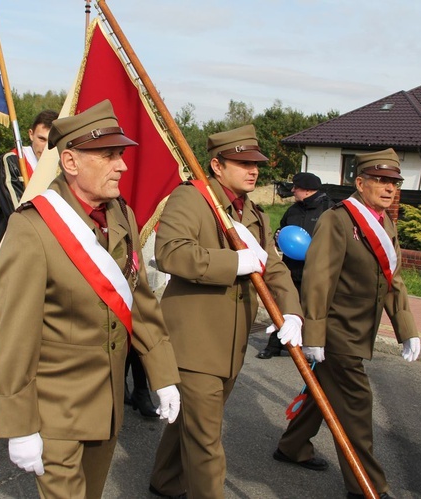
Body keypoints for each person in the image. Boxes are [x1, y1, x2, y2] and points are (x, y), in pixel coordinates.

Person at [0, 100, 181, 499]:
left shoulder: (120, 216)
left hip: (107, 406)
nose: (122, 166)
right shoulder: (33, 228)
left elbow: (138, 301)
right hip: (55, 411)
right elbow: (13, 336)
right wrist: (20, 424)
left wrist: (163, 375)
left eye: (121, 155)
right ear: (71, 162)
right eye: (109, 155)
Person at [149, 125, 304, 499]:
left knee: (190, 421)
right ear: (217, 165)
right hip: (194, 341)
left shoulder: (252, 212)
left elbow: (275, 267)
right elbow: (171, 253)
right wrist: (232, 262)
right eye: (242, 162)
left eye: (256, 163)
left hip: (231, 344)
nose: (253, 170)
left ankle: (165, 481)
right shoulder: (191, 200)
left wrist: (293, 312)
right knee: (206, 443)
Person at [271, 148, 421, 499]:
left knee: (322, 391)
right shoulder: (338, 219)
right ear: (360, 182)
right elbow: (317, 279)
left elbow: (392, 280)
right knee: (356, 407)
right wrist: (315, 334)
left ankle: (292, 447)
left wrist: (406, 328)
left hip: (360, 329)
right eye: (381, 181)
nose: (389, 189)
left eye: (394, 182)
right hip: (337, 333)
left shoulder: (385, 222)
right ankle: (366, 485)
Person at [257, 171, 334, 359]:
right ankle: (274, 346)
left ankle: (313, 347)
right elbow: (282, 230)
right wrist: (277, 236)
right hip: (291, 268)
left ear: (307, 190)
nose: (293, 191)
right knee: (284, 305)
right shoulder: (293, 209)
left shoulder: (329, 210)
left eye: (296, 187)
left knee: (314, 309)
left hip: (316, 270)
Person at [0, 109, 59, 252]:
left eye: (51, 141)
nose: (46, 147)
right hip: (15, 246)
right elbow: (16, 213)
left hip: (51, 247)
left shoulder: (62, 167)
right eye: (42, 139)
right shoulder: (12, 161)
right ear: (31, 134)